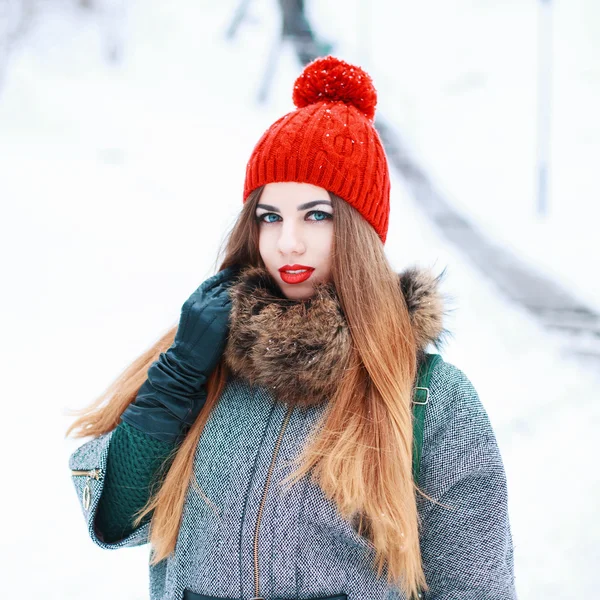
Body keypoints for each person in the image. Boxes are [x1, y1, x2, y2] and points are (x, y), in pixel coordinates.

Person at [66, 56, 517, 600]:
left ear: (359, 232)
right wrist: (177, 377)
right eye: (270, 216)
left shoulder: (433, 399)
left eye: (317, 215)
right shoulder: (206, 361)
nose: (288, 243)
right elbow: (116, 518)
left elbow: (478, 589)